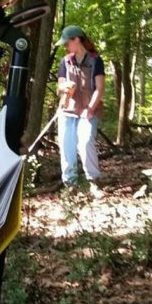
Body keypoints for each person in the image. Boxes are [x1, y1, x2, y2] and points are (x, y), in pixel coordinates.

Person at [55, 25, 105, 193]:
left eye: (67, 42)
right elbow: (59, 86)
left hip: (88, 110)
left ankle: (94, 181)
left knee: (85, 142)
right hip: (67, 111)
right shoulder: (65, 61)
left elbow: (99, 88)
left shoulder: (95, 60)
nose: (65, 46)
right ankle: (70, 184)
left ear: (76, 40)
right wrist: (65, 87)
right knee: (66, 145)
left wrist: (90, 109)